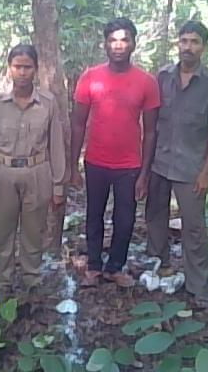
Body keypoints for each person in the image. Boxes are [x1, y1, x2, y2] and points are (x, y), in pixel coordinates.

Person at [70, 18, 160, 288]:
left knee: (125, 218)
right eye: (112, 40)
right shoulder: (90, 77)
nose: (118, 45)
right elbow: (78, 123)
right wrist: (73, 166)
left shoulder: (147, 82)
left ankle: (115, 267)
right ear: (105, 44)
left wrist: (144, 174)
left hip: (129, 165)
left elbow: (151, 131)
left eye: (124, 40)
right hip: (96, 161)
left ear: (133, 43)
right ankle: (94, 266)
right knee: (94, 214)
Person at [145, 20, 208, 308]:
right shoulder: (162, 76)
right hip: (159, 161)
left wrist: (206, 172)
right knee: (155, 216)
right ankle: (162, 265)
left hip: (190, 167)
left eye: (194, 42)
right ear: (177, 43)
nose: (188, 47)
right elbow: (151, 122)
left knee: (193, 226)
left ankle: (198, 285)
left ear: (204, 47)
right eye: (184, 41)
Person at [0, 44, 65, 293]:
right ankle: (3, 281)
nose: (22, 72)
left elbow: (56, 146)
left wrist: (58, 186)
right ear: (9, 69)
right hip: (3, 173)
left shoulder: (47, 103)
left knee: (34, 231)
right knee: (3, 231)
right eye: (17, 67)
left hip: (37, 171)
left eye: (27, 67)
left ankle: (31, 279)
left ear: (36, 69)